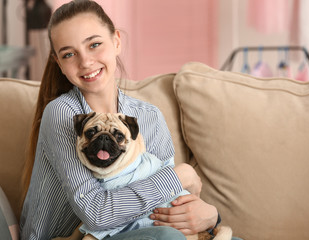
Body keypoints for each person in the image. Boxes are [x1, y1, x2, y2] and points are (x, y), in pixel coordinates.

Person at [20, 0, 219, 239]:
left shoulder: (149, 117)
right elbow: (96, 213)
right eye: (69, 54)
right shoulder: (62, 114)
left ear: (116, 41)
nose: (85, 62)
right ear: (59, 63)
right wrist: (180, 175)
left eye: (94, 44)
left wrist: (211, 215)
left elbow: (169, 202)